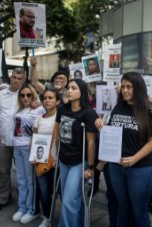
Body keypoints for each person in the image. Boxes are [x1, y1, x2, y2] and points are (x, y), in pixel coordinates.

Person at [95, 71, 152, 227]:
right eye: (123, 86)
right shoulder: (118, 107)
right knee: (123, 209)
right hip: (117, 168)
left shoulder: (149, 110)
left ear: (138, 88)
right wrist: (102, 127)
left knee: (139, 212)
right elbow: (114, 134)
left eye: (129, 87)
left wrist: (134, 159)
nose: (125, 90)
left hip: (141, 169)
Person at [55, 79, 98, 227]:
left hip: (79, 162)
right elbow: (57, 133)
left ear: (82, 92)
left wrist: (90, 167)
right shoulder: (62, 109)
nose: (69, 90)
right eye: (68, 88)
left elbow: (91, 143)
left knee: (68, 201)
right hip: (63, 159)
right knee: (74, 200)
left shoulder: (88, 113)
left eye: (73, 88)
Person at [0, 68, 26, 213]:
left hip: (21, 141)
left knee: (23, 173)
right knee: (3, 171)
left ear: (23, 80)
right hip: (2, 139)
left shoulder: (26, 95)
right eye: (14, 77)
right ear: (11, 77)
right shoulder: (0, 94)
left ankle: (25, 201)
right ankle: (3, 198)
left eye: (19, 78)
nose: (16, 80)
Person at [11, 83, 45, 224]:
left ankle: (32, 210)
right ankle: (22, 207)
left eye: (28, 95)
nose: (25, 98)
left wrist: (41, 102)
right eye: (22, 95)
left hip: (28, 148)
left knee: (31, 181)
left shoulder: (39, 109)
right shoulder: (19, 109)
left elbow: (52, 107)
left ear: (33, 95)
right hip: (17, 147)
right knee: (21, 180)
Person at [32, 86, 60, 227]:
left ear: (57, 101)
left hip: (57, 162)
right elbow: (34, 138)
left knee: (60, 192)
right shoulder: (38, 119)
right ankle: (47, 217)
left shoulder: (60, 117)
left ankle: (67, 218)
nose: (47, 100)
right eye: (45, 98)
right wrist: (33, 156)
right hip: (41, 161)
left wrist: (57, 159)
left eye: (51, 98)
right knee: (43, 191)